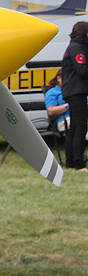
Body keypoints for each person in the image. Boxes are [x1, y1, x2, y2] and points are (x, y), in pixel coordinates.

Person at [61, 21, 88, 171]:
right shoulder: (78, 48)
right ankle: (79, 163)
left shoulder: (74, 45)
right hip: (77, 91)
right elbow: (82, 70)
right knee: (80, 128)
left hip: (71, 91)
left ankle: (70, 161)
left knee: (73, 128)